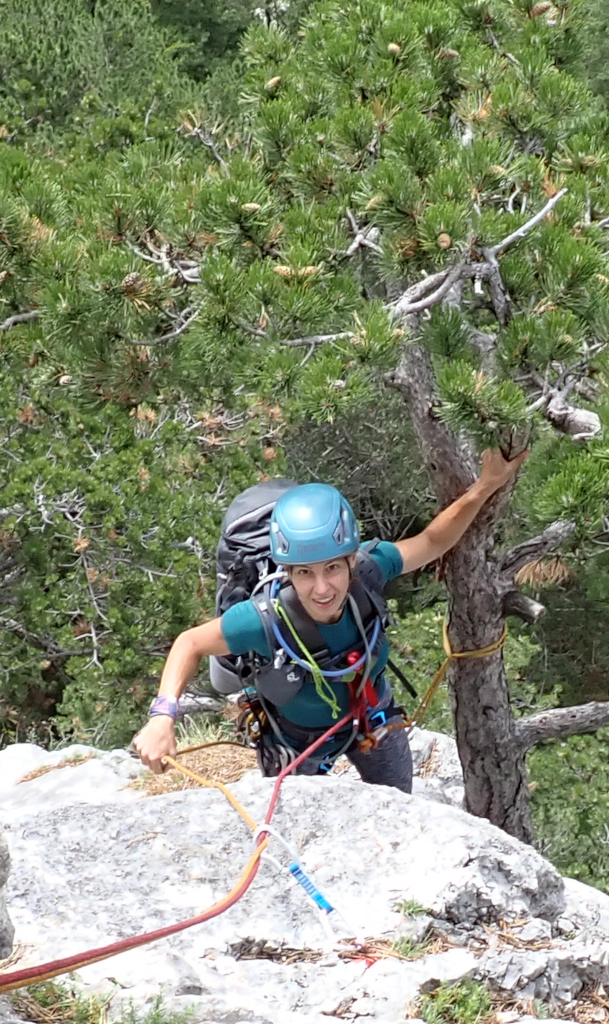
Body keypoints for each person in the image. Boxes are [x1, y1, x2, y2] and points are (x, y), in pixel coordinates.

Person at [134, 448, 527, 790]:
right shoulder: (264, 620)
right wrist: (162, 716)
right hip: (295, 742)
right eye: (304, 573)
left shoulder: (370, 571)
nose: (322, 588)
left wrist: (484, 486)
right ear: (286, 572)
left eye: (332, 569)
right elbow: (190, 643)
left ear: (352, 560)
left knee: (397, 807)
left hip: (372, 719)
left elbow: (431, 541)